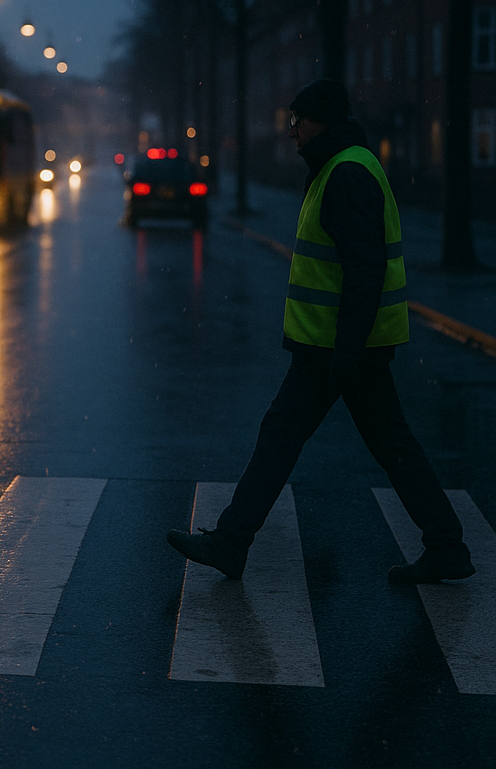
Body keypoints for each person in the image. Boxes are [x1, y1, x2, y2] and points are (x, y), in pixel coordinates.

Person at [167, 79, 474, 586]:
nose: (291, 131)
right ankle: (447, 545)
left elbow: (364, 267)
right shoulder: (341, 165)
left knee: (286, 434)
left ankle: (231, 541)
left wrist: (348, 350)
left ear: (324, 121)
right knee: (385, 444)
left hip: (339, 345)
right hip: (343, 344)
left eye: (299, 120)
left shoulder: (347, 172)